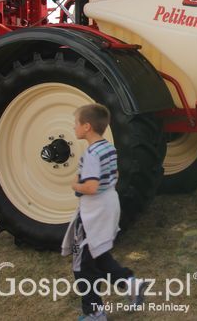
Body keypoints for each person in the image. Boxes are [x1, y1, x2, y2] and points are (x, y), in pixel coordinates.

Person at [61, 104, 143, 320]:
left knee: (82, 267)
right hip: (109, 205)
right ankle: (129, 283)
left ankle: (94, 313)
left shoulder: (91, 154)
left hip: (93, 213)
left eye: (76, 123)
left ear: (86, 127)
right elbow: (114, 173)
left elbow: (91, 187)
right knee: (98, 255)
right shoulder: (109, 148)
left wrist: (75, 185)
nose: (74, 126)